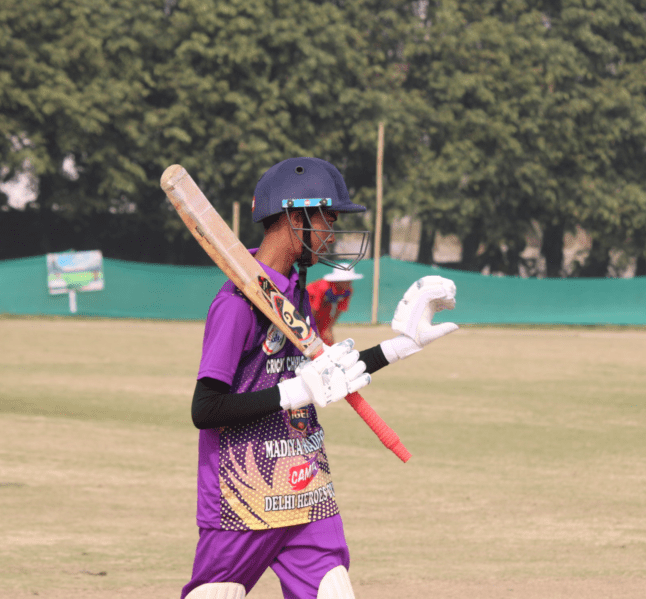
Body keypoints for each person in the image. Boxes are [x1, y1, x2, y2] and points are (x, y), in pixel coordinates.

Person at [182, 157, 458, 599]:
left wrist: (401, 346)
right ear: (296, 218)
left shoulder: (294, 293)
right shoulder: (235, 305)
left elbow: (329, 373)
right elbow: (206, 409)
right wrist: (296, 391)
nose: (333, 233)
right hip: (242, 492)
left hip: (305, 485)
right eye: (329, 218)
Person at [307, 264, 364, 345]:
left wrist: (328, 328)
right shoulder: (324, 287)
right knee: (311, 336)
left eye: (351, 280)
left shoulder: (348, 291)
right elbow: (314, 308)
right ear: (338, 280)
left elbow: (339, 310)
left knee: (327, 338)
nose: (350, 282)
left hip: (325, 306)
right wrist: (311, 328)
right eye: (346, 280)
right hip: (307, 303)